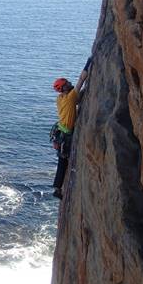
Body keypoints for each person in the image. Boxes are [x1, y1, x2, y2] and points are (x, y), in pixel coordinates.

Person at [50, 57, 92, 199]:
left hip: (61, 132)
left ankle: (57, 187)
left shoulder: (60, 99)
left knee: (62, 162)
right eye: (67, 83)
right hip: (66, 135)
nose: (69, 83)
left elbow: (77, 99)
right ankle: (57, 189)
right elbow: (81, 80)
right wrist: (88, 63)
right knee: (63, 162)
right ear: (64, 88)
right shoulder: (69, 98)